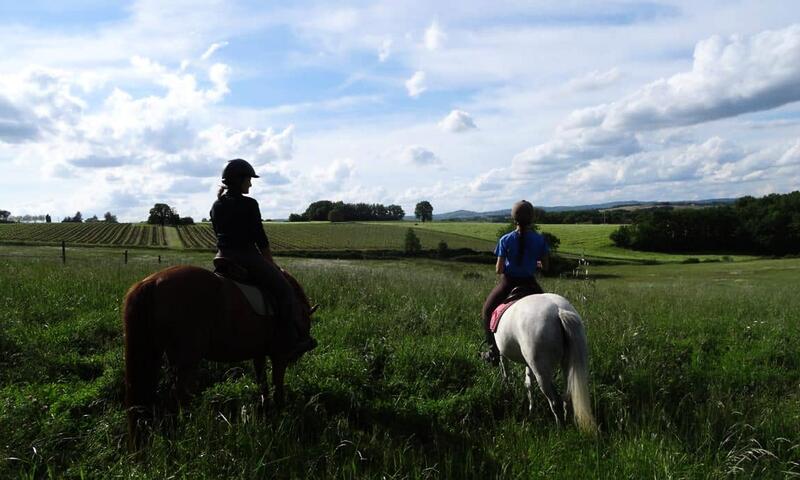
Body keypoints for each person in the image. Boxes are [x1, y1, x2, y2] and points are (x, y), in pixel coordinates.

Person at [210, 158, 316, 362]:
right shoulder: (249, 204)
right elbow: (260, 238)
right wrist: (271, 264)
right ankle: (287, 341)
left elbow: (217, 234)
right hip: (246, 257)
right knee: (285, 290)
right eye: (248, 179)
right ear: (239, 180)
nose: (250, 184)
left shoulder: (217, 205)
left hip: (222, 258)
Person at [480, 200, 549, 365]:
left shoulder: (505, 239)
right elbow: (546, 267)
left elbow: (499, 269)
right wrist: (535, 264)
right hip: (530, 283)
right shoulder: (539, 240)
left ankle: (493, 352)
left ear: (513, 219)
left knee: (487, 311)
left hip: (508, 283)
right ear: (532, 219)